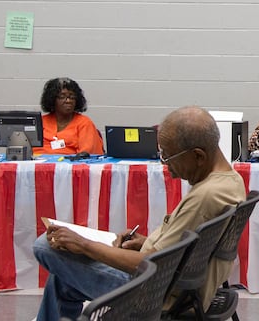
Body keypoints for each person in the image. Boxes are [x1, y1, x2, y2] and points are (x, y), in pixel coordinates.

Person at [33, 106, 247, 321]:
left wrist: (84, 245)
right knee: (63, 277)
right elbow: (182, 248)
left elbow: (154, 264)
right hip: (177, 283)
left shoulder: (207, 195)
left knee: (45, 245)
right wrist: (144, 242)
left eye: (168, 155)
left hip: (157, 294)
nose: (165, 164)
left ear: (198, 156)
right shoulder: (229, 180)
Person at [35, 77, 104, 155]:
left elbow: (87, 155)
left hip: (71, 165)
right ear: (52, 99)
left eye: (72, 97)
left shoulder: (84, 123)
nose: (68, 101)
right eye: (62, 97)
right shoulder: (40, 122)